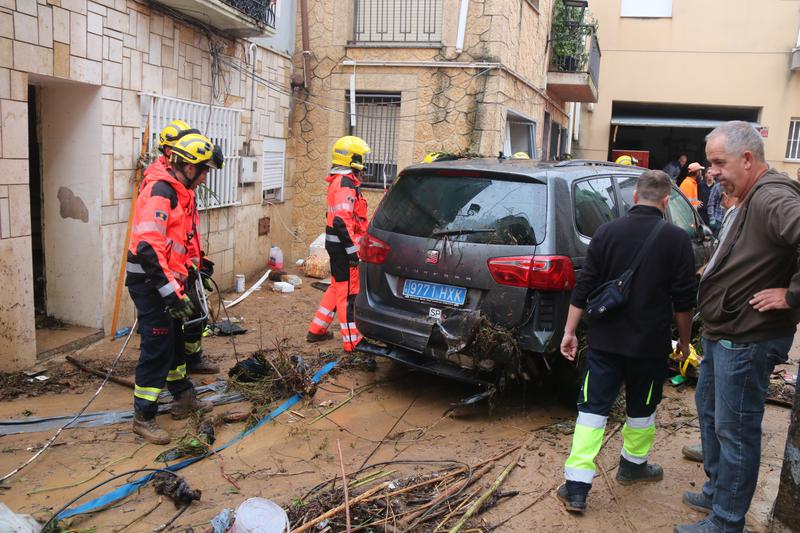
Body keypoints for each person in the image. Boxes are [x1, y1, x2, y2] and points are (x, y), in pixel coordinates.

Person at [675, 121, 800, 533]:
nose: (711, 172)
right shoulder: (748, 196)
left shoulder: (773, 196)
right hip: (723, 331)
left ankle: (726, 521)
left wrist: (791, 294)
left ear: (747, 159)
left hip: (747, 338)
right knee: (711, 414)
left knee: (737, 432)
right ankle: (716, 491)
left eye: (717, 162)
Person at [558, 169, 697, 514]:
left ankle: (576, 487)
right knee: (642, 410)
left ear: (634, 197)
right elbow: (684, 301)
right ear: (666, 202)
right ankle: (632, 466)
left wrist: (569, 332)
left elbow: (585, 285)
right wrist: (683, 342)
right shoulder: (676, 240)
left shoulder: (606, 232)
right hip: (649, 347)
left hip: (605, 344)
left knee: (591, 412)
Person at [125, 132, 220, 444]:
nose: (206, 177)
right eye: (204, 170)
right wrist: (170, 293)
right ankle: (144, 416)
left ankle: (183, 395)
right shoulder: (161, 191)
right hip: (150, 282)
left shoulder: (180, 191)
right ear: (189, 167)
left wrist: (195, 267)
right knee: (158, 345)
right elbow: (148, 249)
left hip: (169, 280)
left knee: (177, 339)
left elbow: (180, 240)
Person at [306, 136, 370, 352]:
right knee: (348, 293)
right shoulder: (346, 184)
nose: (364, 162)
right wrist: (353, 252)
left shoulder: (338, 181)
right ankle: (352, 341)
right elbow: (342, 220)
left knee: (336, 287)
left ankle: (317, 330)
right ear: (353, 159)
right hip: (344, 249)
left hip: (337, 246)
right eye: (361, 157)